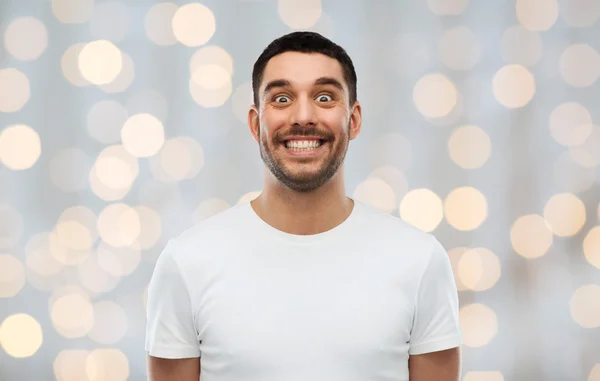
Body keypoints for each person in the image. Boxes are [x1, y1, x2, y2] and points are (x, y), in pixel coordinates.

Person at [145, 31, 462, 381]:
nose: (303, 115)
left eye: (325, 97)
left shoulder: (419, 260)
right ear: (256, 123)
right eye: (281, 99)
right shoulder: (187, 263)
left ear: (353, 120)